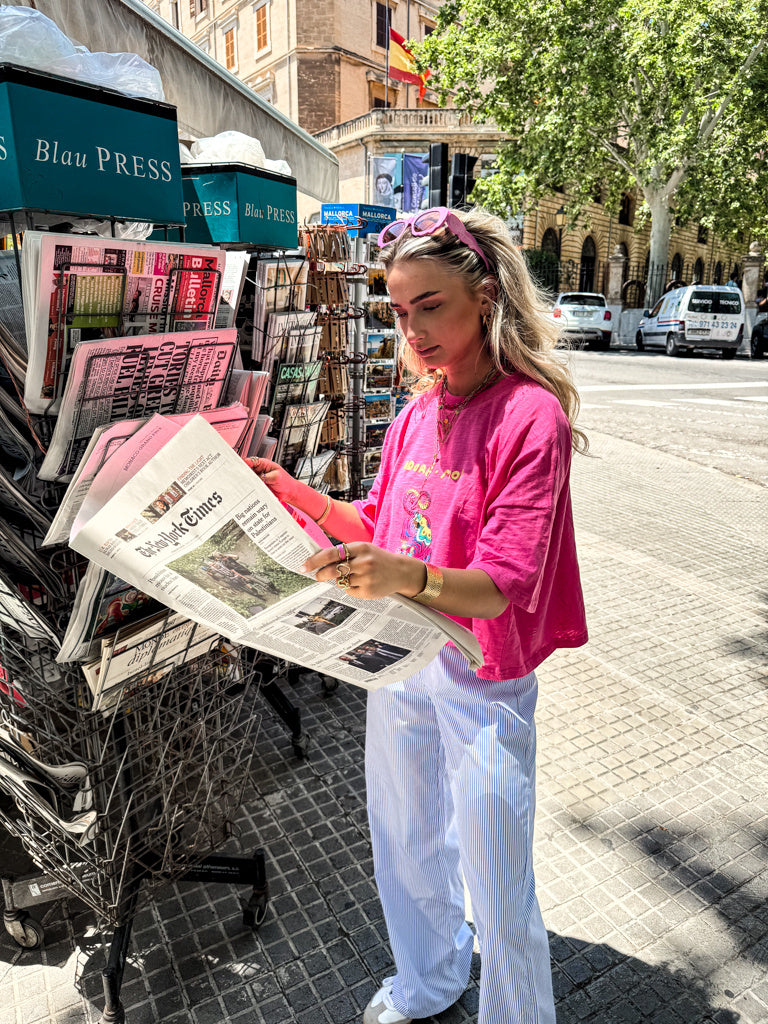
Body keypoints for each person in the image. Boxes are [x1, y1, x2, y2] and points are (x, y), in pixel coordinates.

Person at [245, 205, 588, 1024]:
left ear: (485, 295)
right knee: (403, 835)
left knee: (497, 874)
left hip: (483, 671)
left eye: (430, 305)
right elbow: (381, 525)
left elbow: (501, 583)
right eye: (399, 312)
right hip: (396, 659)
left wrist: (404, 574)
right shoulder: (416, 412)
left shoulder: (530, 414)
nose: (414, 331)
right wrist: (307, 502)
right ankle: (430, 977)